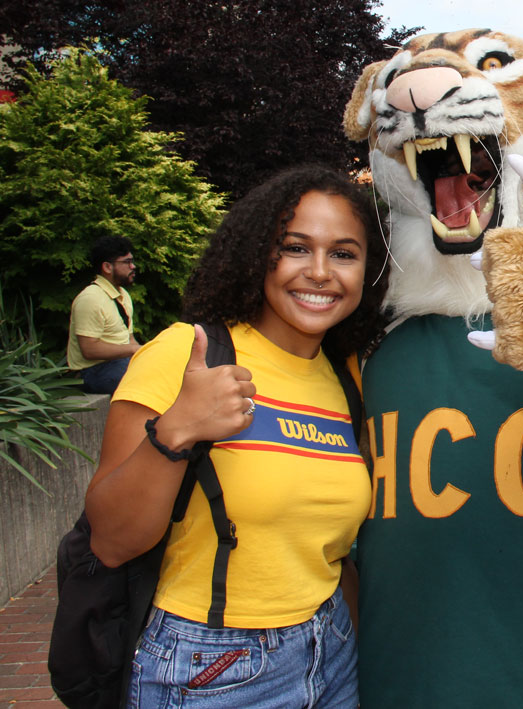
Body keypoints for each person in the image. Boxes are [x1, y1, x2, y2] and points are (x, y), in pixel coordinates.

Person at [83, 165, 388, 707]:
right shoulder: (185, 353)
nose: (320, 272)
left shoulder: (348, 375)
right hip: (212, 665)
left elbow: (331, 554)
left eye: (344, 253)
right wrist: (175, 430)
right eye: (295, 247)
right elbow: (110, 541)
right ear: (257, 255)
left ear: (369, 269)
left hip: (333, 651)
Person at [67, 235, 142, 394]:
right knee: (144, 380)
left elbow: (129, 339)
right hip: (92, 372)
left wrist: (143, 353)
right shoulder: (90, 299)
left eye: (132, 261)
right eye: (127, 262)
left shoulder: (123, 295)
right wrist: (133, 350)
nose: (133, 266)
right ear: (107, 267)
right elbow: (89, 350)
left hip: (120, 364)